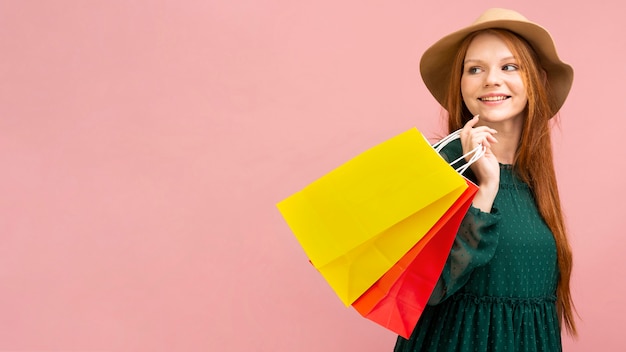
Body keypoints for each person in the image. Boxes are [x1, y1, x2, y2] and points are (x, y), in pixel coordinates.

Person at [394, 8, 577, 351]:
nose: (491, 79)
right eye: (475, 69)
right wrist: (485, 191)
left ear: (534, 80)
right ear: (460, 84)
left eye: (509, 67)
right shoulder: (440, 167)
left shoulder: (533, 176)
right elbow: (427, 289)